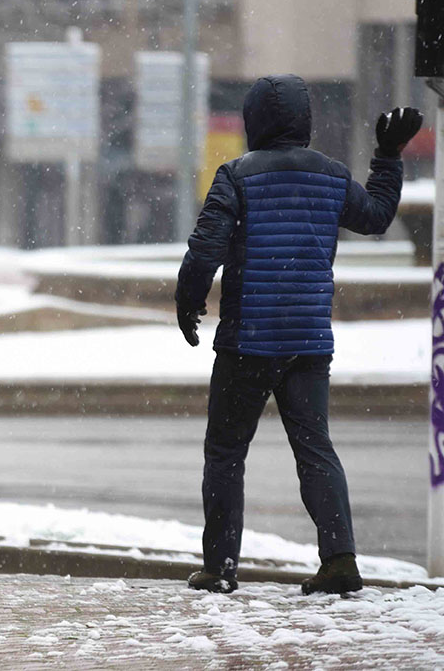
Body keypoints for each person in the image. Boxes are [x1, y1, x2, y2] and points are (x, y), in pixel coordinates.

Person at [175, 74, 420, 595]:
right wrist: (388, 157)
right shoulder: (331, 176)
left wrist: (189, 301)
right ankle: (339, 559)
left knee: (225, 452)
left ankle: (220, 569)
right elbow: (376, 218)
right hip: (308, 341)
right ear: (304, 121)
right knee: (315, 449)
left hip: (248, 339)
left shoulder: (236, 175)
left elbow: (205, 249)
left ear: (253, 121)